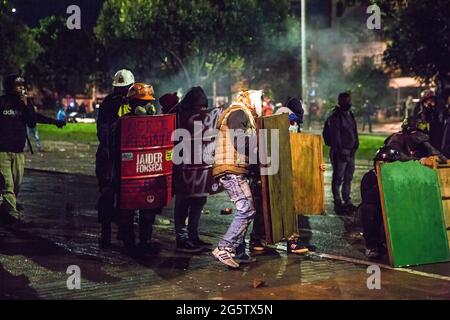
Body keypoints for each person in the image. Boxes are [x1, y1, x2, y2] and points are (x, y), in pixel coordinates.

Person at [0, 74, 64, 225]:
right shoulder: (2, 102)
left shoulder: (25, 104)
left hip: (18, 151)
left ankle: (6, 206)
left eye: (23, 85)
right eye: (18, 85)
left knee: (16, 184)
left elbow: (32, 122)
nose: (21, 88)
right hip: (2, 152)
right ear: (10, 86)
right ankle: (12, 214)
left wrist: (54, 122)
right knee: (6, 184)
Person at [211, 90, 263, 268]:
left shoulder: (238, 112)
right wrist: (262, 145)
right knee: (247, 210)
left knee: (246, 210)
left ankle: (238, 251)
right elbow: (241, 142)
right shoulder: (238, 112)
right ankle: (224, 248)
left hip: (233, 168)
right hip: (231, 169)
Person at [113, 82, 161, 252]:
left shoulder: (156, 123)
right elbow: (114, 150)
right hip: (127, 176)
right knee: (126, 210)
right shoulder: (122, 124)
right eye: (141, 103)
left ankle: (145, 241)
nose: (145, 106)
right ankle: (129, 242)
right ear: (132, 105)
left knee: (148, 210)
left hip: (147, 175)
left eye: (147, 103)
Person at [95, 69, 135, 248]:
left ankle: (125, 232)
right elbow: (103, 131)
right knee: (107, 194)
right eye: (119, 89)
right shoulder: (107, 104)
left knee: (127, 198)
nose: (122, 92)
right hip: (109, 158)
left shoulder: (136, 103)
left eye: (124, 88)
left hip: (128, 158)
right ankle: (105, 232)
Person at [171, 87, 212, 253]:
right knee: (183, 201)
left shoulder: (201, 118)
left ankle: (193, 235)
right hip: (182, 165)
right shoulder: (177, 115)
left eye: (204, 107)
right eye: (199, 106)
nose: (202, 110)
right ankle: (182, 238)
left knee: (199, 200)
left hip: (199, 166)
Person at [323, 92, 359, 215]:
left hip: (350, 151)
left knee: (348, 177)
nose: (349, 103)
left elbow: (354, 130)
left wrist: (355, 145)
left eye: (349, 100)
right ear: (340, 102)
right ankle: (338, 202)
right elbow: (335, 136)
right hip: (340, 152)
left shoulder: (350, 114)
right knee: (338, 177)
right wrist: (340, 151)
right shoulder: (335, 116)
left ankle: (347, 201)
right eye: (346, 101)